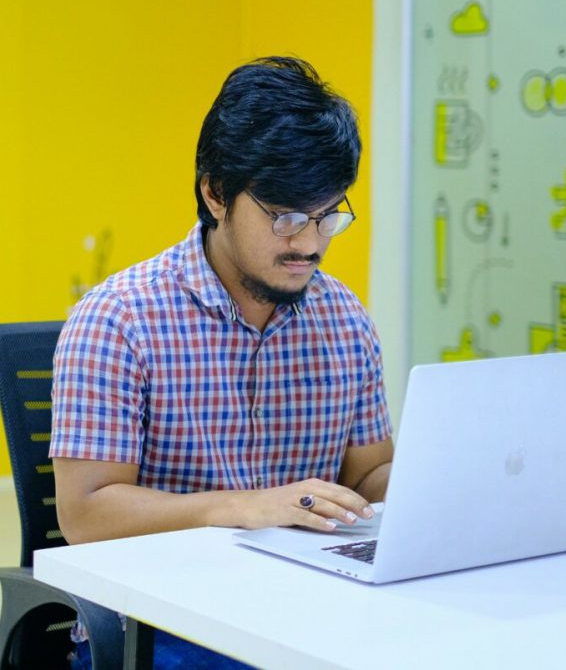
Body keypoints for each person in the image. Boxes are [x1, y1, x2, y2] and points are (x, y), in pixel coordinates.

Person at [50, 56, 394, 669]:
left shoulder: (343, 317)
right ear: (215, 193)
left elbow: (370, 478)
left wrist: (453, 492)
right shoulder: (119, 320)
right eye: (285, 216)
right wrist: (244, 505)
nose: (310, 242)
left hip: (312, 606)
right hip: (164, 625)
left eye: (329, 214)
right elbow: (86, 514)